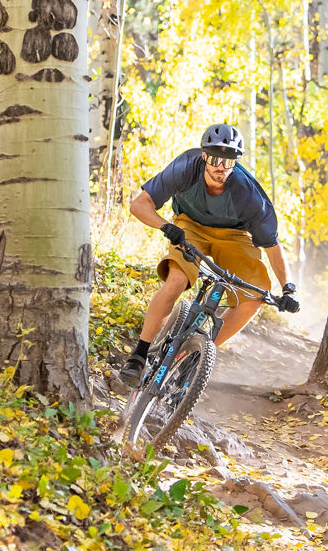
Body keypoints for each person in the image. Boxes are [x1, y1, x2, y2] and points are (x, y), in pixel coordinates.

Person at [119, 123, 300, 385]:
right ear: (204, 156)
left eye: (228, 161)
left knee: (254, 297)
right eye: (215, 159)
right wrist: (166, 226)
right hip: (188, 226)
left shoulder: (248, 194)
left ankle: (195, 357)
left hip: (233, 236)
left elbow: (271, 245)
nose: (221, 167)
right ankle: (139, 355)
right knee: (177, 280)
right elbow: (139, 205)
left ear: (235, 162)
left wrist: (288, 289)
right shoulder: (185, 168)